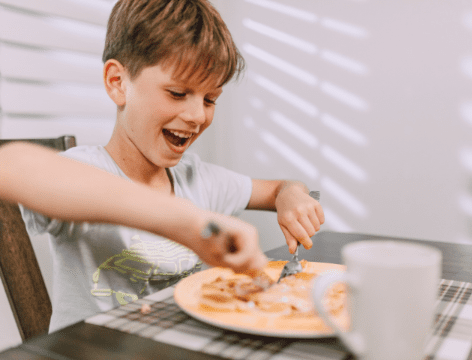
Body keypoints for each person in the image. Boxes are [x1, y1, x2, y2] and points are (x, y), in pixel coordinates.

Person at [0, 0, 324, 332]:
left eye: (210, 99)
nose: (198, 115)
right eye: (178, 93)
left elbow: (279, 188)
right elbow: (11, 165)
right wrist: (187, 223)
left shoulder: (199, 180)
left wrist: (291, 196)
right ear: (117, 82)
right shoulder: (86, 170)